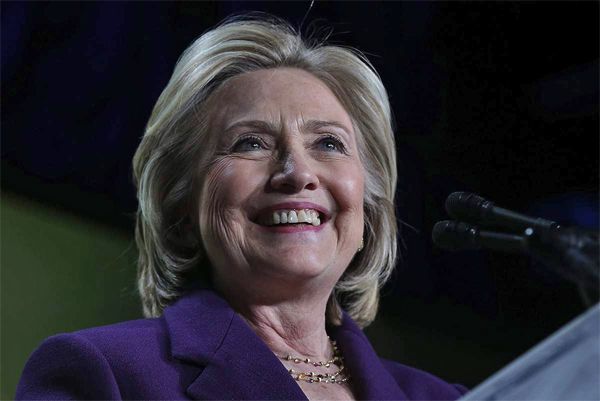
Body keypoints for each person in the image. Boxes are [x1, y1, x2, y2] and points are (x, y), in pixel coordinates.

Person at [16, 14, 468, 401]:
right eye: (249, 143)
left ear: (367, 210)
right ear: (180, 208)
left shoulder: (445, 398)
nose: (297, 172)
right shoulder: (104, 374)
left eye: (328, 143)